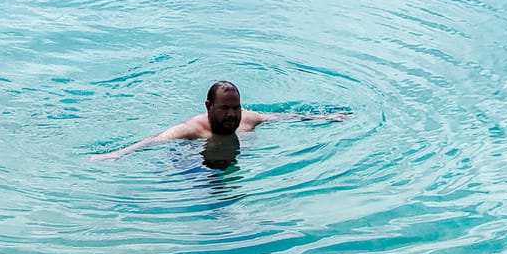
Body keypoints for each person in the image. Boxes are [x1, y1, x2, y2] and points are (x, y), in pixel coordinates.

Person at [92, 80, 348, 166]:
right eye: (224, 108)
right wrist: (116, 154)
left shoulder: (247, 119)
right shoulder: (193, 128)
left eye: (235, 107)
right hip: (194, 162)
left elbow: (282, 117)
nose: (231, 114)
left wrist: (325, 118)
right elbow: (154, 140)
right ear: (209, 107)